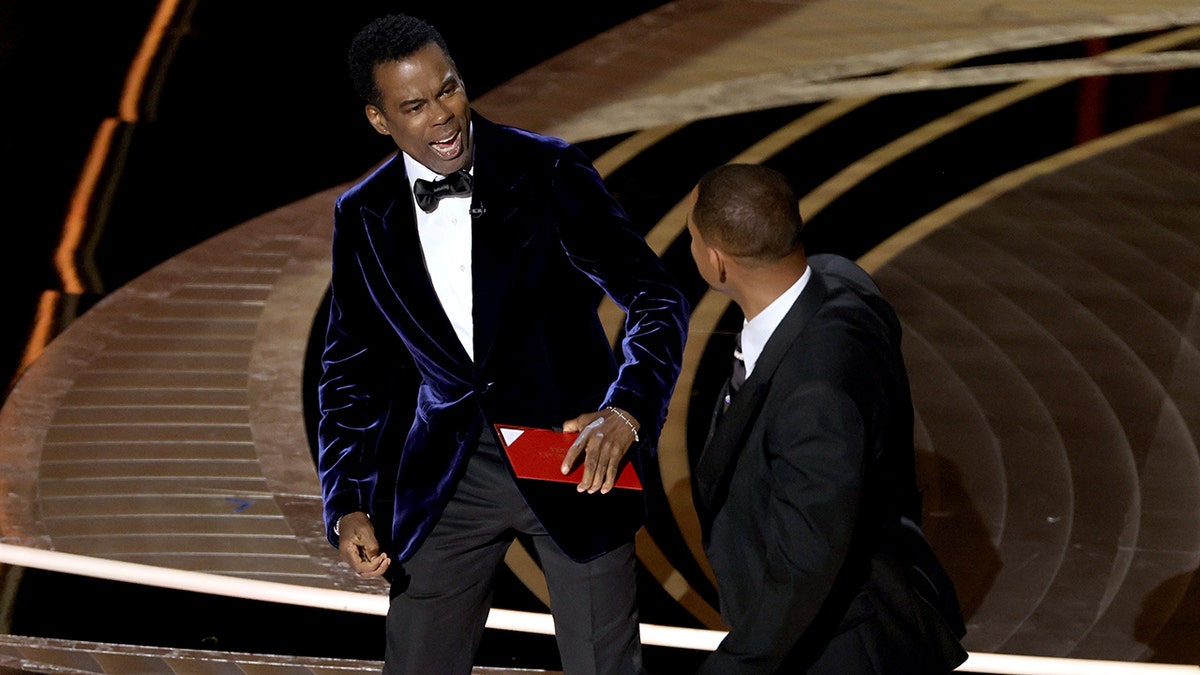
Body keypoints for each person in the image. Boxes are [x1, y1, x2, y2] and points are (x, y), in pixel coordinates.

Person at [315, 13, 691, 675]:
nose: (443, 116)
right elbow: (350, 367)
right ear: (380, 120)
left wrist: (626, 410)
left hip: (572, 459)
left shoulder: (547, 170)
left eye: (449, 89)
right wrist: (345, 497)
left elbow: (656, 298)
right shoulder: (363, 213)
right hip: (448, 475)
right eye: (414, 105)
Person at [684, 164, 967, 673]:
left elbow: (806, 563)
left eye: (692, 237)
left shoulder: (813, 397)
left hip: (839, 647)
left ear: (715, 261)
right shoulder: (843, 281)